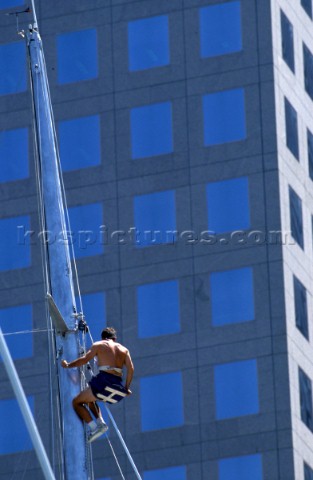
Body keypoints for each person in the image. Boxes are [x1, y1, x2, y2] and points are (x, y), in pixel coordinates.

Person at [61, 327, 134, 443]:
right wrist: (126, 387)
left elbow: (84, 360)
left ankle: (94, 427)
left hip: (103, 381)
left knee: (76, 402)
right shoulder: (124, 349)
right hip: (116, 384)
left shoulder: (99, 344)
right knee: (90, 398)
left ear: (103, 337)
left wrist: (68, 365)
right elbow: (131, 369)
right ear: (114, 338)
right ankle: (100, 423)